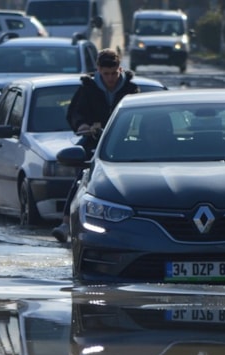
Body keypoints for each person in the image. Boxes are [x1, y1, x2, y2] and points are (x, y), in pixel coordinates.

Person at [51, 48, 140, 243]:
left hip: (126, 143)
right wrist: (82, 125)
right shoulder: (87, 89)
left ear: (120, 69)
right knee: (82, 176)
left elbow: (141, 118)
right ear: (98, 70)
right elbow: (74, 113)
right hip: (93, 139)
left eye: (114, 74)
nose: (110, 79)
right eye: (105, 74)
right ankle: (66, 223)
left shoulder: (131, 90)